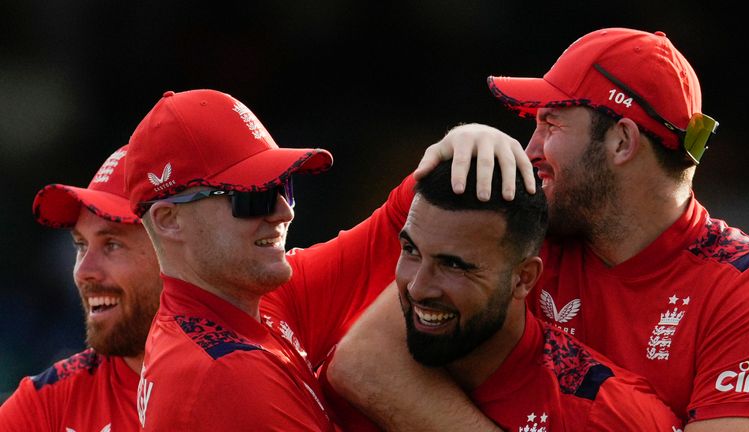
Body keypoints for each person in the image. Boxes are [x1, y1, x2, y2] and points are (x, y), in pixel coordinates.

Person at [327, 28, 749, 431]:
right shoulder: (520, 222)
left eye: (550, 124)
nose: (529, 149)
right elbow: (365, 361)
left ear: (622, 142)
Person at [123, 89, 527, 430]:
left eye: (284, 186)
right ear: (169, 220)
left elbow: (390, 228)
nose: (284, 211)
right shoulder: (224, 375)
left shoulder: (251, 300)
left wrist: (461, 146)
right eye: (253, 197)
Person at [324, 159, 682, 431]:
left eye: (455, 266)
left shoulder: (607, 413)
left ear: (523, 279)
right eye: (411, 251)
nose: (418, 287)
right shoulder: (343, 385)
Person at [0, 145, 162, 431]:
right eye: (80, 245)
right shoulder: (47, 402)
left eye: (112, 244)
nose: (82, 271)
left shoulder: (251, 375)